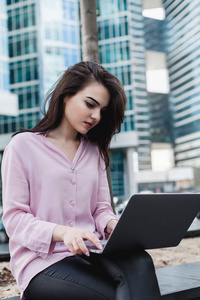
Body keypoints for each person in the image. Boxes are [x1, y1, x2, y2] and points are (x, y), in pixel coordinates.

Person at [2, 61, 161, 300]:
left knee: (140, 260)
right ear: (66, 95)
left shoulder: (94, 151)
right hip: (43, 263)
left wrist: (111, 224)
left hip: (91, 254)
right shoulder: (22, 146)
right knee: (114, 294)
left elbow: (101, 209)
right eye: (90, 104)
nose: (96, 116)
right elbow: (14, 219)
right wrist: (64, 233)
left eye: (103, 111)